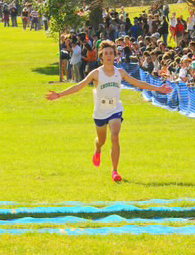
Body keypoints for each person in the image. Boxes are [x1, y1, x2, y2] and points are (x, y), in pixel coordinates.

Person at [45, 40, 172, 182]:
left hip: (115, 110)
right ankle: (98, 150)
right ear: (102, 56)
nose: (109, 56)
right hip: (100, 112)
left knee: (115, 136)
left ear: (115, 56)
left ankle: (115, 171)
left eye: (111, 53)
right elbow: (79, 86)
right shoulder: (96, 73)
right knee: (101, 140)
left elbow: (138, 83)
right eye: (106, 53)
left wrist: (158, 89)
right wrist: (59, 95)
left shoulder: (120, 72)